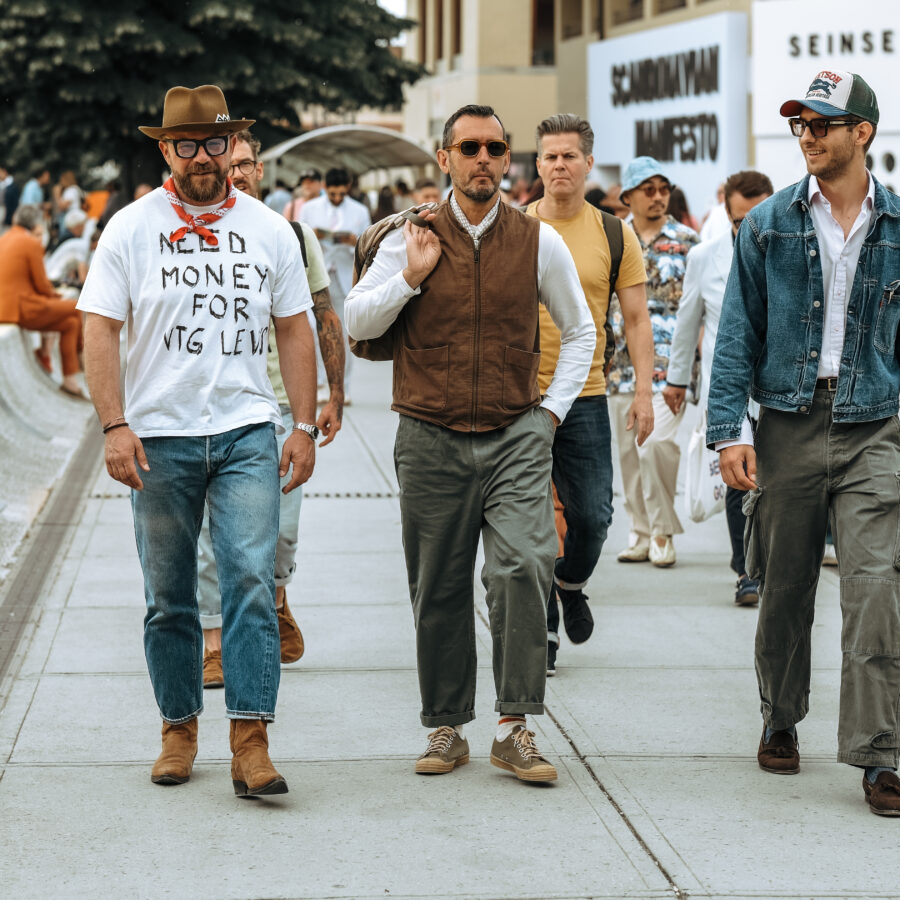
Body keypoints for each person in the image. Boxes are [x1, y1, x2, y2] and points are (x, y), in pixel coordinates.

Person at [77, 84, 318, 797]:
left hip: (246, 430)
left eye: (215, 143)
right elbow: (98, 327)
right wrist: (114, 424)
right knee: (169, 595)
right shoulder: (129, 228)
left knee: (250, 581)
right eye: (188, 145)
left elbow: (295, 327)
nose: (204, 157)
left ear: (231, 144)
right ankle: (178, 730)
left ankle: (252, 741)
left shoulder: (269, 228)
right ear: (165, 150)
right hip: (159, 439)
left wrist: (301, 423)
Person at [345, 103, 595, 783]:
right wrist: (411, 276)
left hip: (517, 430)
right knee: (439, 585)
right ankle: (446, 726)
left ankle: (515, 727)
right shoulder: (410, 235)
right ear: (445, 159)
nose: (484, 159)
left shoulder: (538, 240)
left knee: (523, 566)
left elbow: (580, 333)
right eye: (470, 148)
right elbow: (355, 318)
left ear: (507, 158)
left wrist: (550, 414)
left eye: (495, 148)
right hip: (429, 433)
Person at [707, 70, 900, 815]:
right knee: (784, 584)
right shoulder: (768, 224)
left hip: (875, 426)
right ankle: (780, 716)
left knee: (878, 587)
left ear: (863, 133)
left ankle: (881, 754)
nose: (809, 135)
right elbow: (736, 338)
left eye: (824, 122)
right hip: (786, 422)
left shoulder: (897, 225)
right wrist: (730, 431)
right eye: (801, 123)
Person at [198, 128, 345, 689]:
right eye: (226, 163)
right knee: (212, 535)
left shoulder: (290, 234)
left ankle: (278, 597)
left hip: (281, 405)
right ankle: (214, 641)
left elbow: (323, 315)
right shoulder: (194, 231)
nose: (235, 173)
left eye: (245, 164)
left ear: (259, 170)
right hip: (215, 406)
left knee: (280, 528)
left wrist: (333, 395)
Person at [526, 114, 653, 675]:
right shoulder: (515, 226)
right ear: (537, 164)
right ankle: (543, 630)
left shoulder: (613, 232)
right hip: (520, 398)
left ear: (586, 164)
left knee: (595, 516)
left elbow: (636, 319)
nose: (559, 165)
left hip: (586, 394)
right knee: (531, 521)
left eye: (569, 156)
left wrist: (645, 391)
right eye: (550, 156)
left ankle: (570, 583)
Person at [663, 170, 774, 606]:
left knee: (780, 484)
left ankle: (773, 564)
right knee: (739, 480)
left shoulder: (795, 248)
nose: (749, 229)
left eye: (757, 217)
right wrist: (675, 379)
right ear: (725, 214)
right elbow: (686, 324)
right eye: (739, 220)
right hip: (728, 388)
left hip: (783, 390)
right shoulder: (705, 257)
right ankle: (746, 570)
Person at [608, 156, 699, 567]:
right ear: (628, 196)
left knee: (656, 446)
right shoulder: (611, 238)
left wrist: (693, 353)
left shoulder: (687, 241)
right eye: (649, 189)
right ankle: (640, 531)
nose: (659, 197)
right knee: (628, 452)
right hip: (618, 366)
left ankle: (661, 530)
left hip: (670, 367)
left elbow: (701, 305)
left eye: (664, 189)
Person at [0, 204, 85, 397]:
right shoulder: (30, 243)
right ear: (35, 224)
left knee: (70, 323)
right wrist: (57, 296)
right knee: (76, 307)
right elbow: (42, 286)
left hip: (6, 307)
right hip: (21, 308)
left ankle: (70, 380)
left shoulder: (4, 239)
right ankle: (81, 360)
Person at [301, 167, 370, 404]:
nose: (337, 198)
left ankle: (344, 387)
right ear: (324, 188)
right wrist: (315, 236)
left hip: (344, 277)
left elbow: (369, 247)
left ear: (348, 188)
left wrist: (354, 241)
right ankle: (322, 383)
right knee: (318, 331)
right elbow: (299, 240)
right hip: (316, 277)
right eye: (332, 194)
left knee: (342, 334)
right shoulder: (308, 209)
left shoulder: (360, 211)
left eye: (341, 194)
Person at [45, 208, 91, 285]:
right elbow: (82, 273)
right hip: (52, 277)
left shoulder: (75, 239)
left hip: (51, 274)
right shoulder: (77, 241)